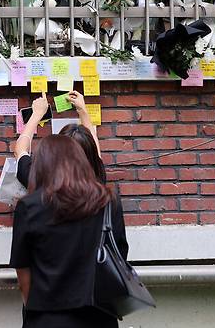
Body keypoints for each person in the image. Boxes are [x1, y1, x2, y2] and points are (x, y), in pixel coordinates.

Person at [10, 135, 125, 328]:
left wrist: (35, 308)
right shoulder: (107, 201)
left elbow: (23, 269)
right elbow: (120, 253)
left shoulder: (29, 207)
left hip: (48, 316)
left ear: (42, 165)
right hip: (99, 315)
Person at [13, 91, 128, 257]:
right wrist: (83, 111)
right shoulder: (96, 178)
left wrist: (37, 114)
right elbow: (93, 149)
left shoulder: (38, 179)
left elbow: (20, 150)